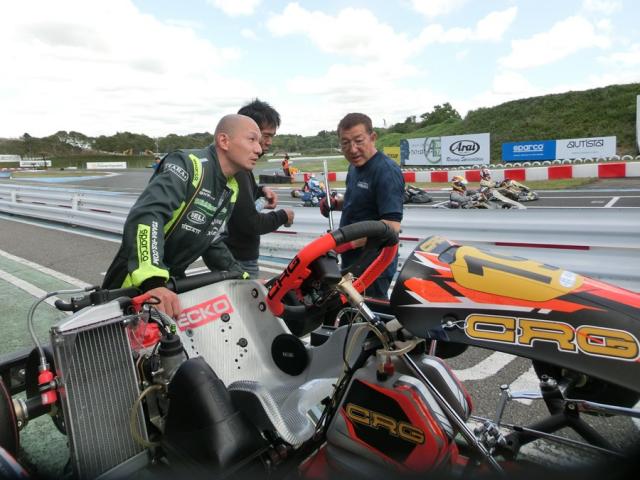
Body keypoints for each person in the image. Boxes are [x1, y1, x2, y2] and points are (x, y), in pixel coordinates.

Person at [102, 114, 263, 318]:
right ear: (224, 141)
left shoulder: (231, 188)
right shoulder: (188, 163)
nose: (259, 149)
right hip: (133, 283)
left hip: (171, 286)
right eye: (252, 139)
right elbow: (148, 214)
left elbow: (211, 241)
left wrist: (245, 280)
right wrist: (153, 281)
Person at [319, 112, 404, 299]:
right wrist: (336, 203)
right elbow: (358, 202)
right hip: (353, 261)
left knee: (368, 313)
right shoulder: (355, 167)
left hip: (375, 265)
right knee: (348, 310)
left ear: (372, 138)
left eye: (359, 141)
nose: (352, 149)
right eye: (345, 143)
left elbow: (391, 226)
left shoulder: (386, 171)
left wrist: (346, 243)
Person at [223, 99, 294, 278]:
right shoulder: (237, 169)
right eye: (265, 136)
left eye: (272, 136)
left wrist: (261, 191)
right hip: (237, 259)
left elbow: (243, 197)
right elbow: (250, 223)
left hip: (234, 255)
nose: (268, 142)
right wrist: (284, 215)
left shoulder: (242, 165)